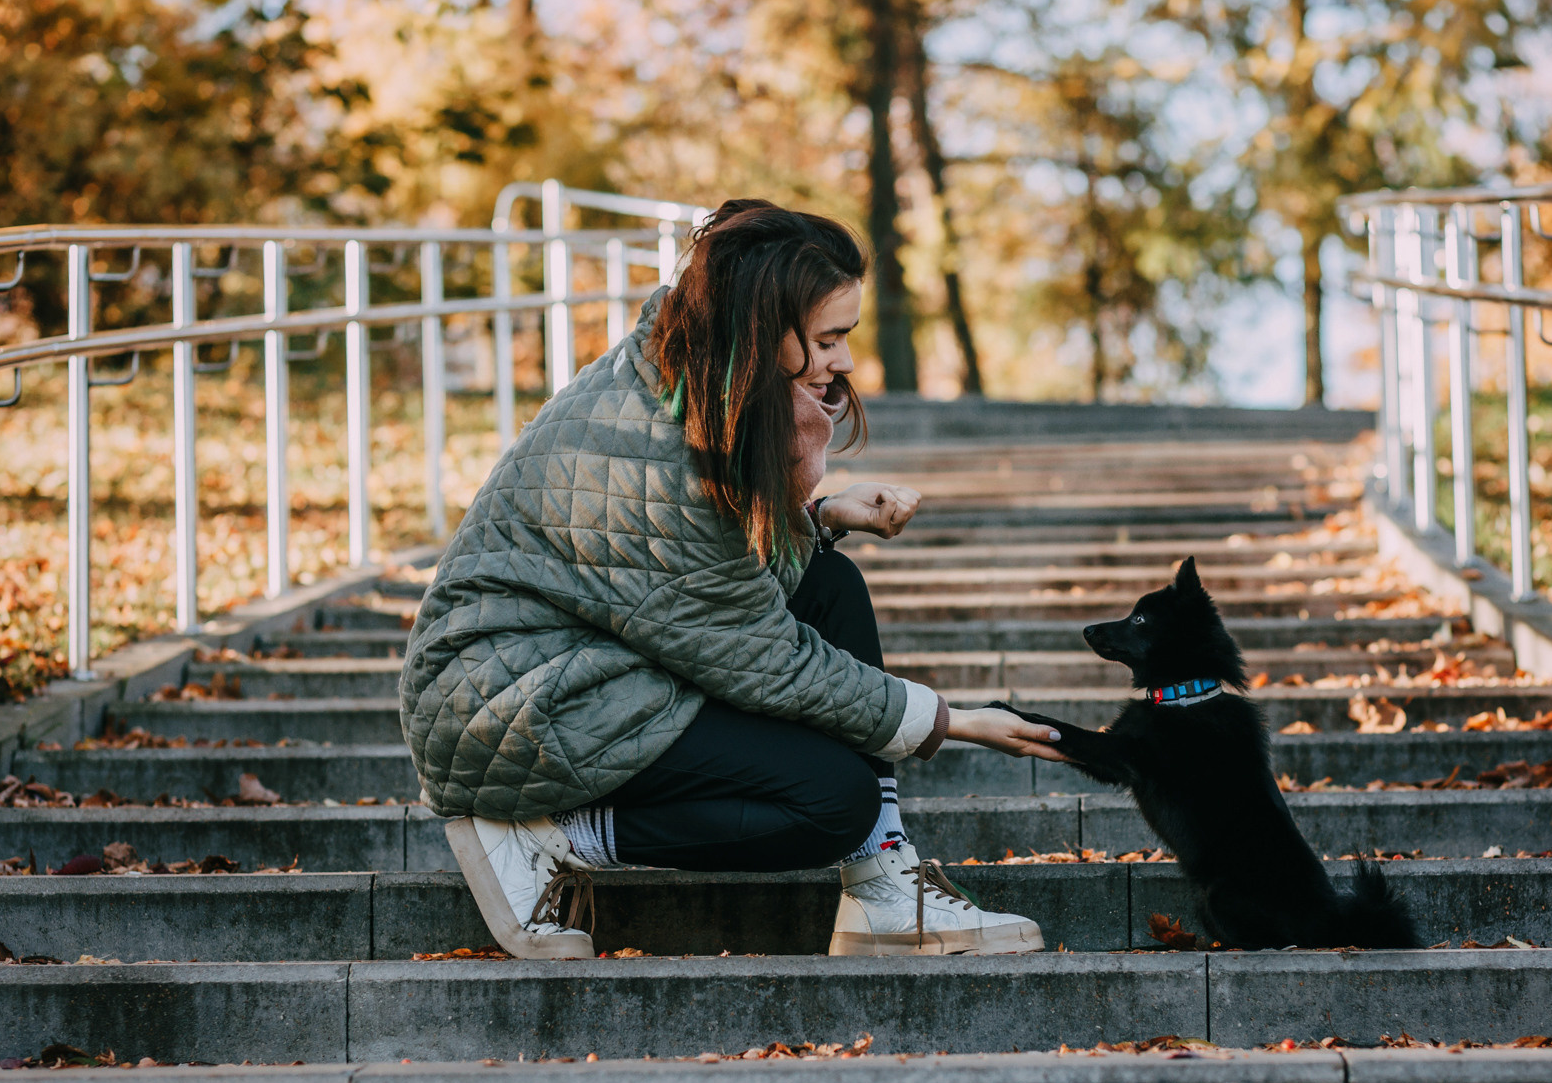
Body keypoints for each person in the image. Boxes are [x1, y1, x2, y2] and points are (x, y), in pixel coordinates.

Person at [399, 198, 1067, 959]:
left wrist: (820, 517)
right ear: (760, 329)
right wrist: (947, 719)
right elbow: (761, 653)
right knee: (830, 800)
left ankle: (882, 882)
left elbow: (704, 586)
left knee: (832, 583)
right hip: (511, 709)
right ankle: (548, 836)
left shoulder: (684, 376)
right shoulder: (653, 447)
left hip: (585, 667)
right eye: (826, 340)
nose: (843, 361)